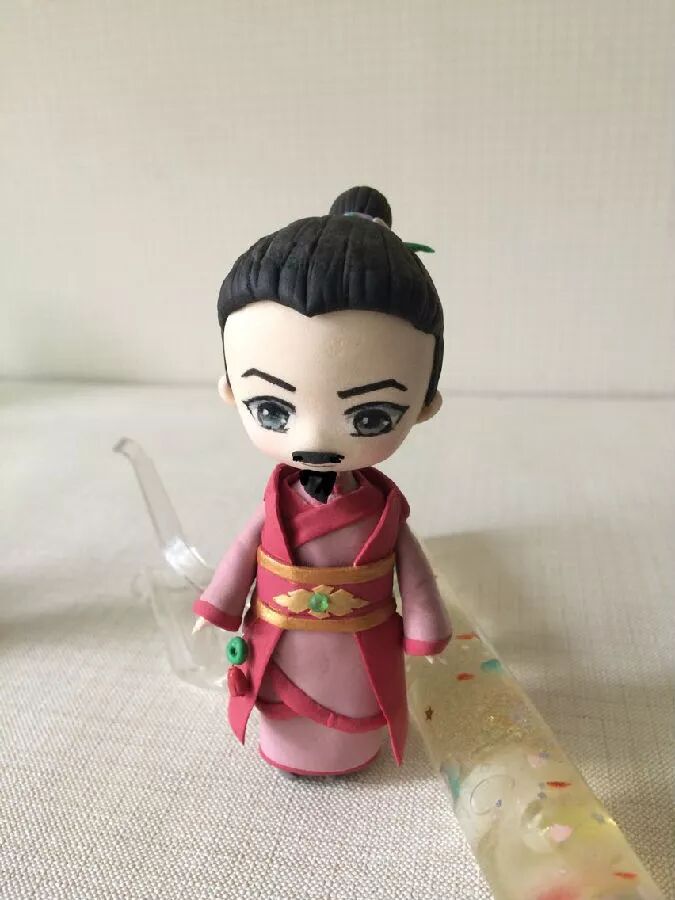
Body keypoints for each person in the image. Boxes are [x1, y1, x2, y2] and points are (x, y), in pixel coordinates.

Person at [193, 185, 451, 776]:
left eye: (371, 417)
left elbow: (414, 575)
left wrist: (426, 631)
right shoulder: (275, 505)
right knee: (281, 707)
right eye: (272, 409)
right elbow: (242, 554)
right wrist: (218, 606)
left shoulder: (385, 512)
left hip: (358, 651)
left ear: (425, 406)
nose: (315, 438)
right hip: (279, 641)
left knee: (354, 710)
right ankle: (288, 749)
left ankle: (351, 752)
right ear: (231, 390)